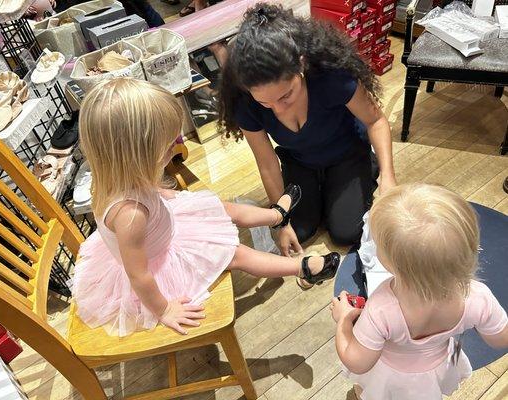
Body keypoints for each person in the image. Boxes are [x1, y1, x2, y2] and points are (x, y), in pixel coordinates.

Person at [72, 78, 341, 337]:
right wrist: (164, 309)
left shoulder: (114, 177)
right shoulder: (130, 215)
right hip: (161, 262)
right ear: (136, 156)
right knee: (235, 254)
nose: (175, 148)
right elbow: (139, 275)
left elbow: (149, 196)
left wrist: (171, 198)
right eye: (167, 147)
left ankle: (275, 215)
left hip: (164, 225)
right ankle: (302, 267)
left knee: (216, 206)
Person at [219, 3, 397, 257]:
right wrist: (280, 220)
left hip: (345, 152)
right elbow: (267, 162)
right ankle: (327, 188)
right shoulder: (244, 100)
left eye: (285, 96)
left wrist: (388, 177)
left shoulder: (331, 77)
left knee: (347, 232)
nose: (277, 110)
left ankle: (365, 167)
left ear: (301, 65)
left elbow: (375, 121)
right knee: (298, 230)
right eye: (265, 103)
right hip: (299, 160)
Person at [330, 183, 508, 400]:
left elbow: (357, 361)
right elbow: (501, 339)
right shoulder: (477, 297)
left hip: (389, 375)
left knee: (373, 393)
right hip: (439, 366)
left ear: (391, 263)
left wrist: (344, 321)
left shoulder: (382, 308)